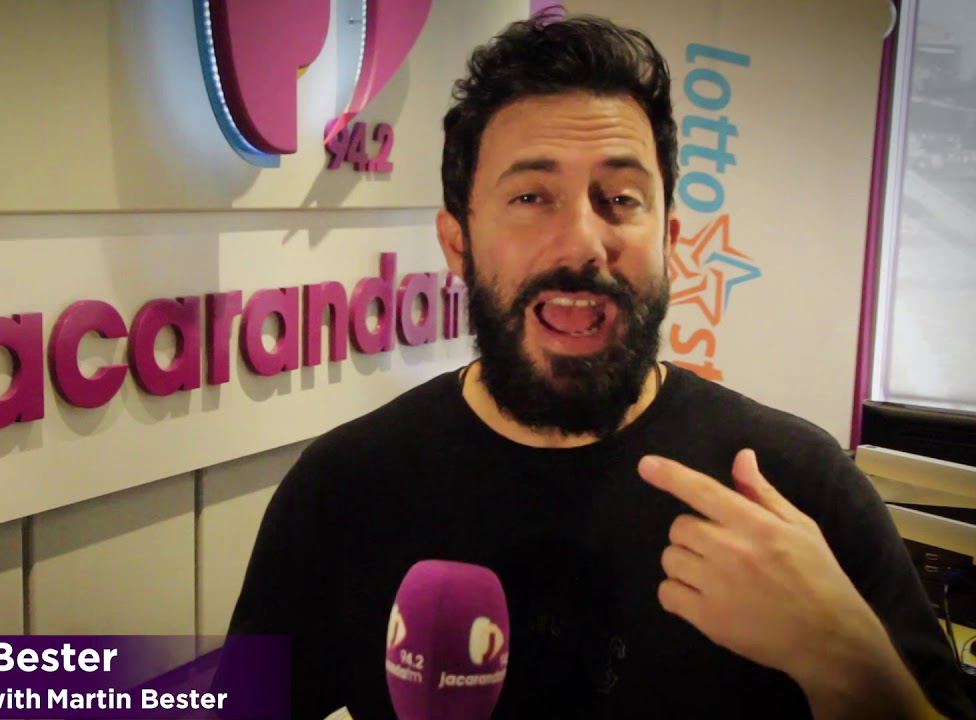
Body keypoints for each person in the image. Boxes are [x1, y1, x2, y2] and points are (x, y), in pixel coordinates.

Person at [226, 14, 975, 719]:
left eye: (620, 198)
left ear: (669, 239)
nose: (583, 242)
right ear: (459, 244)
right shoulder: (344, 490)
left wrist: (845, 659)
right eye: (531, 196)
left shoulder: (797, 490)